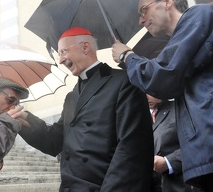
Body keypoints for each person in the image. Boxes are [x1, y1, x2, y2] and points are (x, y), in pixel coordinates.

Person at [112, 0, 213, 191]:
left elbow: (162, 77)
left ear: (167, 1)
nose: (141, 20)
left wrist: (127, 56)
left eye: (144, 10)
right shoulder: (182, 43)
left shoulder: (200, 14)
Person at [15, 27, 154, 191]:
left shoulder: (124, 83)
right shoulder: (71, 97)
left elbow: (131, 150)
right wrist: (24, 120)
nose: (60, 60)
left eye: (63, 52)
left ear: (85, 47)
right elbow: (53, 142)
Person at [147, 94, 202, 192]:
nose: (145, 96)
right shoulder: (136, 117)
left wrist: (168, 162)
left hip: (182, 185)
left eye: (147, 91)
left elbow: (201, 144)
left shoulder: (181, 108)